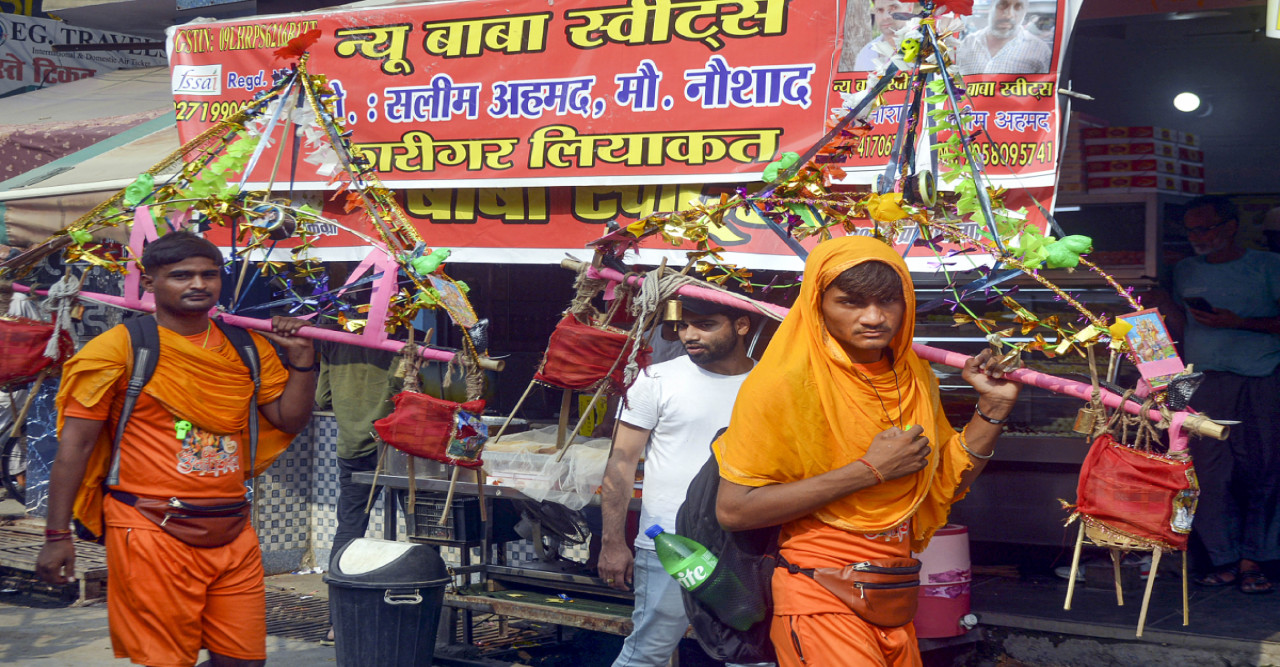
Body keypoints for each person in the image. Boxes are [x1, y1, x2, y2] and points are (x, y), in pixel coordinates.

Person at [714, 236, 1020, 666]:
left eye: (889, 302)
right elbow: (734, 510)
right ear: (818, 303)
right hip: (820, 592)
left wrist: (992, 409)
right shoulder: (781, 383)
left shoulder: (914, 375)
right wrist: (869, 470)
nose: (874, 318)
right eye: (851, 303)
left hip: (894, 589)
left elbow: (942, 484)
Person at [36, 230, 317, 667]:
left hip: (232, 528)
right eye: (181, 275)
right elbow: (73, 448)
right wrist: (57, 536)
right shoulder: (117, 349)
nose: (198, 285)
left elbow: (289, 420)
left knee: (244, 661)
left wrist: (303, 359)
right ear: (149, 283)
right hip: (149, 527)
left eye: (209, 275)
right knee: (167, 662)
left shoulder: (247, 347)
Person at [597, 296, 756, 667]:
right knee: (648, 651)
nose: (689, 335)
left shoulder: (769, 384)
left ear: (742, 325)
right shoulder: (655, 380)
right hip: (669, 544)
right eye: (683, 326)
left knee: (751, 654)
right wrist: (612, 542)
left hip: (745, 544)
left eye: (705, 324)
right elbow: (620, 465)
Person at [1160, 196, 1280, 595]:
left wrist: (1240, 323)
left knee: (1261, 470)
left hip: (1258, 380)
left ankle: (1255, 560)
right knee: (1206, 474)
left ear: (1231, 226)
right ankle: (1224, 559)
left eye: (1205, 228)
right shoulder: (1184, 270)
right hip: (1199, 382)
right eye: (1191, 230)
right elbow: (1182, 327)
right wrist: (1157, 306)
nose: (1197, 238)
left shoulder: (1267, 266)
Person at [956, 0, 1051, 76]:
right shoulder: (967, 43)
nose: (1009, 14)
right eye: (1002, 4)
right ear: (991, 7)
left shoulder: (1040, 50)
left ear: (1025, 12)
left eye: (1018, 7)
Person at [852, 0, 918, 71]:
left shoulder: (927, 47)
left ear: (910, 8)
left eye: (894, 8)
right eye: (880, 10)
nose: (885, 17)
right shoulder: (865, 55)